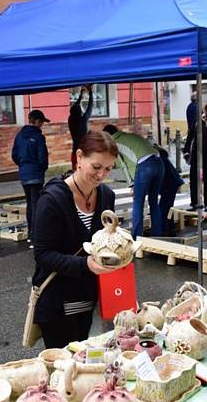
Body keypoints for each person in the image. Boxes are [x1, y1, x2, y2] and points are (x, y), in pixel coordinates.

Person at [32, 131, 118, 349]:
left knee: (83, 359)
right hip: (57, 301)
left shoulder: (106, 195)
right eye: (96, 167)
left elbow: (106, 238)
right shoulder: (52, 199)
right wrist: (85, 264)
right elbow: (43, 255)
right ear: (79, 157)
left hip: (88, 296)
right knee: (63, 367)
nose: (101, 175)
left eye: (108, 169)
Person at [103, 125, 164, 239]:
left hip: (144, 165)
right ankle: (157, 236)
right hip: (159, 163)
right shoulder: (130, 136)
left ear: (108, 136)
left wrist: (131, 184)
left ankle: (136, 238)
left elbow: (122, 165)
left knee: (138, 203)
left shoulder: (114, 144)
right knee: (154, 202)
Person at [12, 109, 50, 244]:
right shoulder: (38, 137)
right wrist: (42, 168)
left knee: (30, 204)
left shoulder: (19, 136)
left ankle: (30, 233)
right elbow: (43, 157)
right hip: (36, 174)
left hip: (24, 174)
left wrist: (23, 165)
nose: (42, 125)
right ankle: (35, 236)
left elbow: (14, 155)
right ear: (37, 121)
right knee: (36, 204)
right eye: (42, 122)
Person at [68, 85, 94, 170]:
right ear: (79, 112)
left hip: (75, 150)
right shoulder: (83, 120)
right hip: (83, 150)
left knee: (75, 172)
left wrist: (81, 94)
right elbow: (90, 106)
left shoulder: (70, 119)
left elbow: (75, 107)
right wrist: (90, 92)